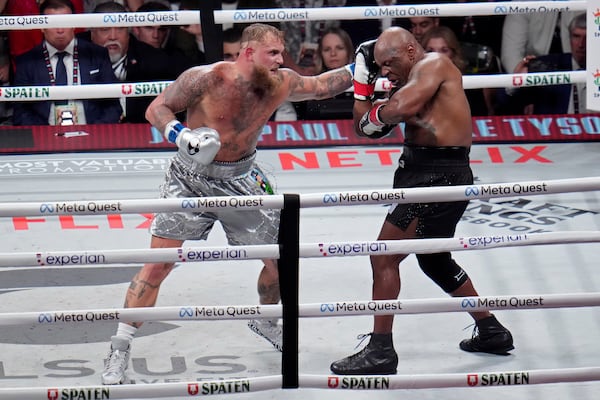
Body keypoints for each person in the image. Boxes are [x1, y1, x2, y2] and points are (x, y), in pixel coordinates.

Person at [101, 22, 354, 385]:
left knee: (278, 261)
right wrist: (182, 136)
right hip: (189, 179)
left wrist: (363, 62)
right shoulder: (206, 78)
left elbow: (321, 87)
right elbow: (157, 109)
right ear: (248, 53)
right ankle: (119, 348)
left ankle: (266, 319)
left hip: (242, 178)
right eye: (273, 53)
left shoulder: (280, 82)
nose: (281, 60)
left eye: (281, 53)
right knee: (158, 266)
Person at [329, 27, 513, 375]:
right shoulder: (409, 80)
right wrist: (363, 87)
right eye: (379, 66)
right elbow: (363, 127)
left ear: (411, 50)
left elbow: (399, 109)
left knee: (383, 255)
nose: (385, 71)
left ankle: (381, 351)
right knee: (434, 260)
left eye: (389, 62)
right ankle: (491, 330)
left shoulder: (433, 64)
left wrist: (380, 112)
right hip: (423, 173)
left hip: (438, 176)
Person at [12, 0, 121, 126]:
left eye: (65, 22)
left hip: (92, 134)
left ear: (74, 24)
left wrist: (94, 132)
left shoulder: (97, 54)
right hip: (45, 138)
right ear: (42, 27)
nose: (60, 30)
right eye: (53, 24)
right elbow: (21, 112)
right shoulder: (27, 61)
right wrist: (45, 135)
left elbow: (113, 106)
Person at [84, 1, 187, 123]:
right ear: (92, 34)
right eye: (105, 29)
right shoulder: (79, 56)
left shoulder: (155, 60)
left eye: (120, 29)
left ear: (128, 33)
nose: (112, 36)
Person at [507, 12, 588, 115]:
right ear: (570, 38)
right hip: (556, 129)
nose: (581, 44)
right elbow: (504, 100)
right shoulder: (547, 66)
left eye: (587, 37)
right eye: (576, 36)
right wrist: (516, 80)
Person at [421, 26, 497, 116]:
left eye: (444, 50)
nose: (437, 56)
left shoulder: (471, 85)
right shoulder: (413, 81)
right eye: (430, 51)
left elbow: (478, 117)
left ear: (453, 54)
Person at [300, 27, 356, 120]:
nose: (333, 53)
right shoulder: (310, 86)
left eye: (339, 48)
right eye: (327, 49)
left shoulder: (366, 80)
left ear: (349, 51)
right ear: (320, 54)